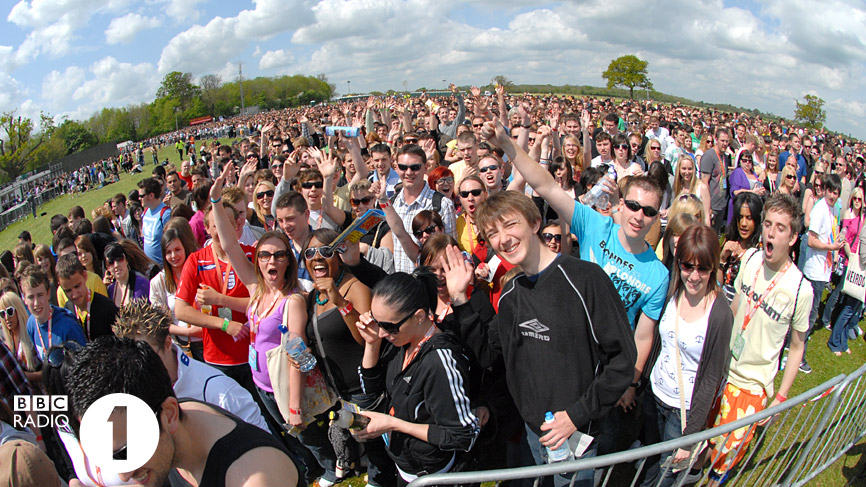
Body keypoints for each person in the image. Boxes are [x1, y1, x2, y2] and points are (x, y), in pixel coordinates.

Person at [444, 189, 636, 487]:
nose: (503, 239)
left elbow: (622, 359)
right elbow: (489, 355)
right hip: (534, 433)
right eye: (492, 233)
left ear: (535, 223)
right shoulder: (510, 294)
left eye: (510, 225)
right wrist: (459, 299)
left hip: (576, 435)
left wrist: (575, 416)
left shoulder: (586, 279)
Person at [64, 336, 299, 487]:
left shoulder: (253, 478)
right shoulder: (173, 422)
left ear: (169, 414)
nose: (124, 475)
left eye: (127, 451)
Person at [705, 194, 812, 486]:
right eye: (768, 224)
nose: (770, 233)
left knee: (723, 459)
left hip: (752, 387)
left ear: (793, 238)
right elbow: (736, 307)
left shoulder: (800, 289)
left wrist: (781, 397)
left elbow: (797, 347)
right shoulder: (751, 258)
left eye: (780, 227)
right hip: (722, 371)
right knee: (703, 443)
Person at [355, 269, 479, 486]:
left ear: (419, 316)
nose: (382, 332)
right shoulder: (400, 342)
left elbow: (462, 436)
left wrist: (394, 424)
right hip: (406, 468)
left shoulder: (439, 362)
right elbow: (371, 392)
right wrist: (372, 344)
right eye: (377, 321)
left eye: (389, 326)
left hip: (434, 475)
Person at [641, 224, 733, 487]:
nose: (693, 276)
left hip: (682, 413)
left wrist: (689, 437)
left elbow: (711, 379)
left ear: (713, 267)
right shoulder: (672, 290)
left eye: (702, 268)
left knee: (666, 477)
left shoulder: (720, 314)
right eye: (687, 266)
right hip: (654, 396)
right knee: (647, 466)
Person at [391, 144, 457, 273]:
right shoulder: (393, 203)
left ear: (425, 167)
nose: (408, 172)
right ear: (396, 168)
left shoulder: (442, 204)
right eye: (403, 167)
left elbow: (451, 253)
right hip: (401, 281)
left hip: (430, 282)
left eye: (415, 167)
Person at [801, 173, 843, 373]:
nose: (833, 195)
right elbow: (811, 240)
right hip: (814, 271)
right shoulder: (819, 209)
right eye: (830, 191)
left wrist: (835, 247)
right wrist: (831, 247)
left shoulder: (833, 209)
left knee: (809, 315)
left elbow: (831, 233)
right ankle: (798, 357)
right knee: (808, 317)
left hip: (824, 270)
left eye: (836, 193)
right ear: (825, 190)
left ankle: (794, 349)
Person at [150, 220, 203, 359]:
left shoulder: (200, 271)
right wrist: (189, 332)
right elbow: (160, 323)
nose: (173, 256)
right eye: (168, 252)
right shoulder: (159, 282)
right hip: (183, 347)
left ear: (185, 248)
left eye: (177, 250)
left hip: (208, 341)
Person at [20, 266, 86, 361]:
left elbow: (85, 363)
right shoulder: (31, 324)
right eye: (31, 297)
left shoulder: (68, 326)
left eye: (40, 295)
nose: (36, 303)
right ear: (24, 298)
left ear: (48, 293)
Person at [56, 255, 116, 342]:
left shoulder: (107, 308)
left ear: (85, 276)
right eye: (68, 290)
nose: (74, 295)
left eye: (77, 286)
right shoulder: (68, 310)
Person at [720, 193, 764, 303]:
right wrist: (722, 260)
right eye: (740, 217)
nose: (743, 223)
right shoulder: (730, 240)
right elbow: (717, 285)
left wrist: (744, 259)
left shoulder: (761, 251)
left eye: (749, 218)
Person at [0, 291, 40, 379]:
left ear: (18, 310)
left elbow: (47, 371)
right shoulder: (7, 343)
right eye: (3, 313)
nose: (6, 317)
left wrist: (22, 375)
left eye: (10, 311)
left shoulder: (32, 335)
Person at [700, 128, 731, 232]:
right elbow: (704, 183)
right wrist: (707, 208)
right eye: (722, 141)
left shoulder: (725, 157)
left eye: (727, 141)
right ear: (716, 140)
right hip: (712, 205)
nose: (725, 144)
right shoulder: (709, 156)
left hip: (721, 203)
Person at [104, 242, 150, 308]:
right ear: (107, 268)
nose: (116, 265)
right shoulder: (110, 290)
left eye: (120, 259)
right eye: (111, 262)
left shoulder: (142, 284)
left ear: (127, 260)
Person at [138, 177, 171, 265]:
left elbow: (171, 241)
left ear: (151, 195)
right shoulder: (146, 211)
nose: (139, 198)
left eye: (141, 196)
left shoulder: (165, 214)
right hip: (150, 266)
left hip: (163, 266)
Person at [727, 151, 765, 225]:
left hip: (751, 206)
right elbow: (735, 192)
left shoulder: (753, 173)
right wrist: (753, 192)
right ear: (740, 161)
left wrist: (761, 191)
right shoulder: (737, 172)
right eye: (744, 160)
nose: (747, 163)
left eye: (749, 161)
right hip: (739, 206)